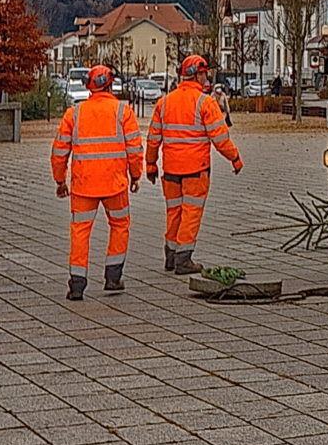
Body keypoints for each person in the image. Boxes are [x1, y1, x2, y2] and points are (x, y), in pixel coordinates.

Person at [51, 64, 143, 299]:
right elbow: (134, 148)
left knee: (80, 231)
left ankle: (77, 285)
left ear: (89, 87)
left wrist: (60, 181)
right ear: (110, 84)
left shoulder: (75, 113)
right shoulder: (123, 112)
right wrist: (136, 175)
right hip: (115, 184)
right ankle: (113, 278)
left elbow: (59, 151)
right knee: (120, 226)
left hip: (83, 185)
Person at [147, 53, 241, 274]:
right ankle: (184, 259)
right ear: (197, 75)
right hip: (195, 170)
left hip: (170, 170)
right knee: (191, 212)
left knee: (174, 212)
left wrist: (150, 165)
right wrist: (235, 158)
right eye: (204, 73)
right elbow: (220, 138)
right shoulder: (205, 103)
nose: (206, 77)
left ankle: (170, 256)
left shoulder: (165, 102)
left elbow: (153, 139)